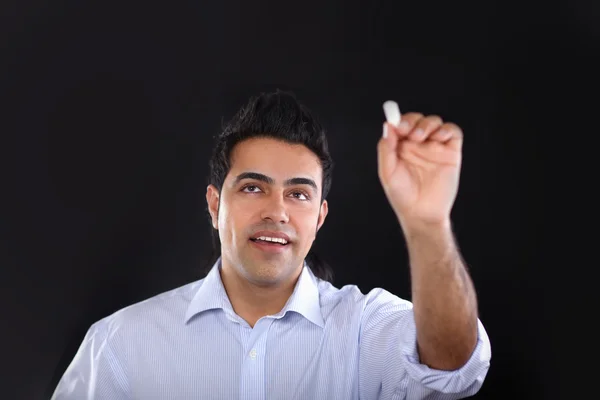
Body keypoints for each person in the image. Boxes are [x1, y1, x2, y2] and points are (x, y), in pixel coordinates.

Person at [51, 90, 491, 399]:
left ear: (319, 217)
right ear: (213, 203)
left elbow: (455, 366)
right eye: (253, 188)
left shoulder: (364, 329)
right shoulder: (121, 344)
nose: (277, 211)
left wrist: (428, 222)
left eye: (298, 194)